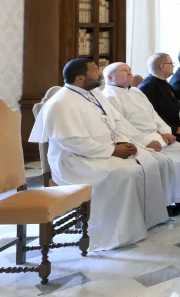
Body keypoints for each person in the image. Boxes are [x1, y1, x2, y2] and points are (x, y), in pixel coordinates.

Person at [31, 59, 170, 250]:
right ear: (80, 78)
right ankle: (115, 234)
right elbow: (73, 142)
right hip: (75, 161)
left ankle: (143, 222)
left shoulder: (94, 93)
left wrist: (122, 142)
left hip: (101, 150)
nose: (100, 73)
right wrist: (112, 150)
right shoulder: (61, 103)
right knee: (124, 173)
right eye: (95, 70)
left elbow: (116, 120)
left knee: (147, 162)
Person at [102, 62, 180, 212]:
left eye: (129, 69)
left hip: (157, 135)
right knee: (165, 162)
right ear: (110, 77)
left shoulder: (136, 91)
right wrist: (145, 141)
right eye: (124, 71)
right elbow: (122, 125)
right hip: (140, 140)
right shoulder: (109, 97)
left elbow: (153, 114)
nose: (129, 73)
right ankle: (165, 204)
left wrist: (165, 131)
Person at [139, 53, 180, 137]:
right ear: (163, 66)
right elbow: (152, 115)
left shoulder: (164, 82)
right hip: (167, 132)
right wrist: (176, 129)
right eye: (171, 63)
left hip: (178, 126)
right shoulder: (147, 87)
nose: (173, 66)